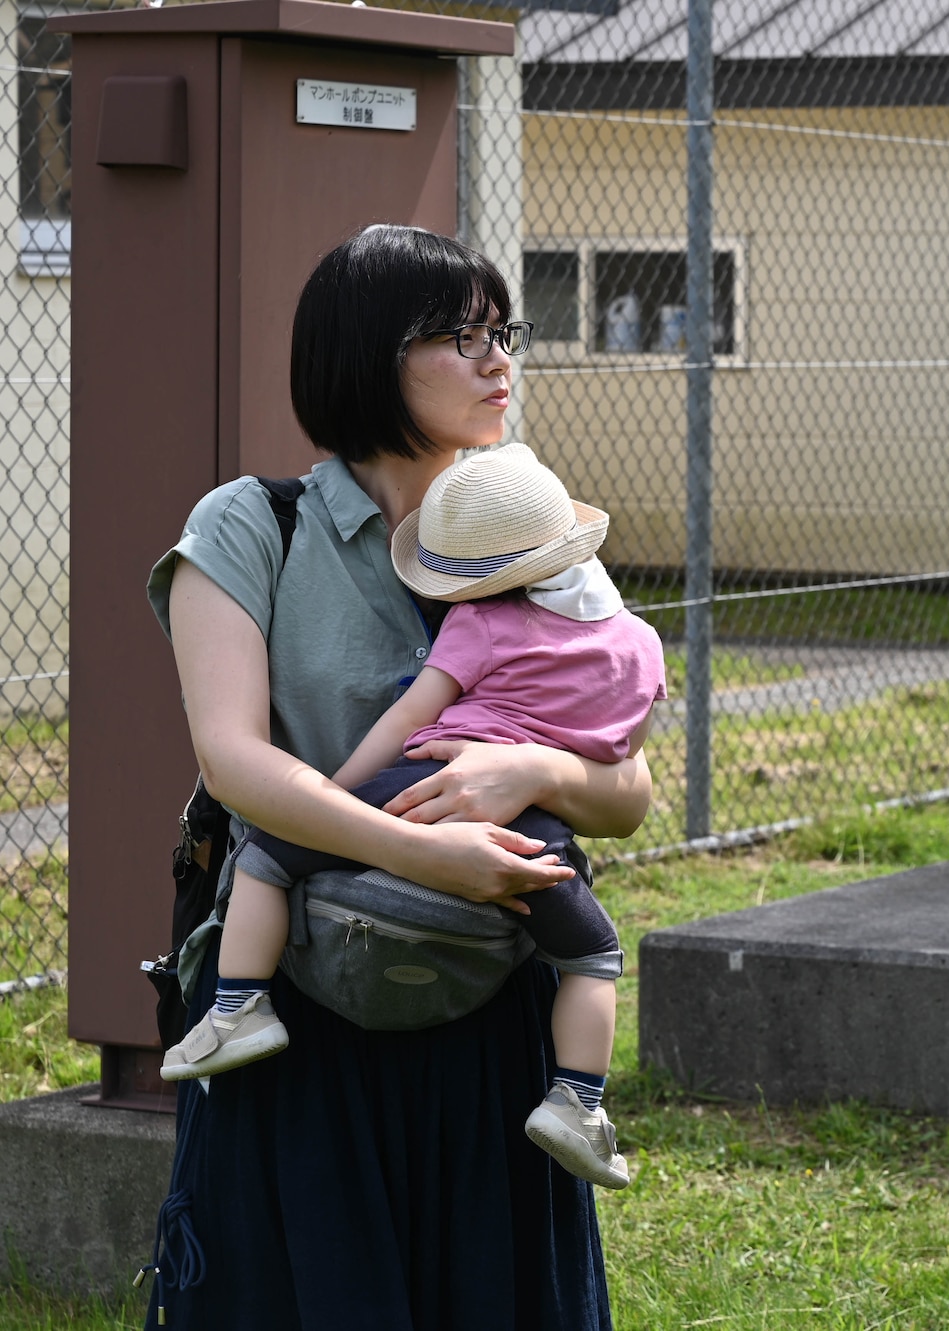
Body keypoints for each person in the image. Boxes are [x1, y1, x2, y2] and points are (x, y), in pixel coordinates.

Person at [147, 225, 650, 1328]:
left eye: (499, 332)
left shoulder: (541, 535)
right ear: (369, 356)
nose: (497, 360)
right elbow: (233, 761)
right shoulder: (252, 525)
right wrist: (423, 849)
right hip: (298, 1006)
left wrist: (532, 765)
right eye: (457, 336)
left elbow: (627, 791)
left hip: (490, 1006)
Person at [159, 441, 665, 1191]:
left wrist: (337, 791)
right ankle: (579, 1103)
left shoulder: (480, 623)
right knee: (591, 955)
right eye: (462, 336)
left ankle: (239, 1007)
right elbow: (626, 760)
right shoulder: (638, 643)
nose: (496, 360)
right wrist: (546, 769)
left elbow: (407, 719)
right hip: (533, 839)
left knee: (267, 855)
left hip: (422, 789)